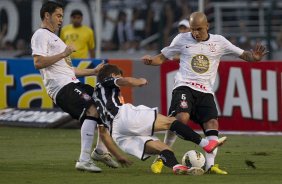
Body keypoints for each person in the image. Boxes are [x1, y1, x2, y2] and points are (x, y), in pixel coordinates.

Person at [141, 11, 267, 175]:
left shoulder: (219, 41)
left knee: (212, 124)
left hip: (205, 91)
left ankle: (210, 166)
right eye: (193, 29)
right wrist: (151, 61)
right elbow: (162, 57)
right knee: (180, 119)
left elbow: (244, 55)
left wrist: (254, 58)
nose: (195, 33)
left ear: (207, 26)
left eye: (199, 29)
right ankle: (161, 158)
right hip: (184, 86)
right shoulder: (182, 39)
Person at [31, 1, 132, 172]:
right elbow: (38, 62)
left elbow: (68, 70)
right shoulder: (41, 35)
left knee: (105, 104)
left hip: (72, 82)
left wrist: (93, 71)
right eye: (58, 15)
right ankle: (84, 159)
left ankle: (100, 150)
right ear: (46, 15)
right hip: (62, 88)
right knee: (92, 108)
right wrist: (64, 53)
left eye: (62, 16)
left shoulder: (56, 39)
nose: (61, 19)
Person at [93, 64, 227, 175]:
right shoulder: (105, 82)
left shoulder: (96, 98)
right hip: (124, 116)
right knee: (171, 122)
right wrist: (140, 81)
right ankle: (206, 144)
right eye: (118, 76)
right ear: (112, 76)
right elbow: (125, 81)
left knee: (163, 148)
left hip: (117, 134)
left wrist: (118, 155)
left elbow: (103, 133)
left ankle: (176, 167)